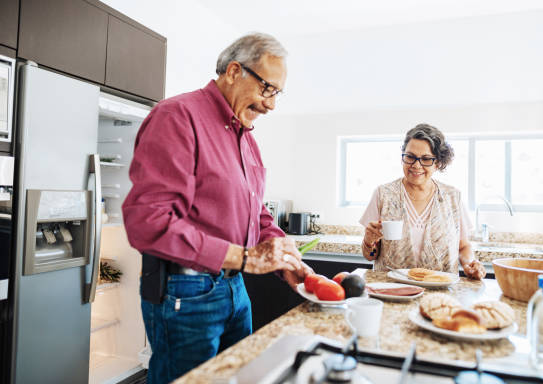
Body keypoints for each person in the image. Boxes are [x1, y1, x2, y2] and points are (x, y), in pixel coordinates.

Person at [122, 33, 312, 383]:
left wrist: (286, 258)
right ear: (235, 71)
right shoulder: (177, 116)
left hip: (235, 289)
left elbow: (256, 214)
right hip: (185, 292)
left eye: (277, 94)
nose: (271, 105)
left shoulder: (247, 138)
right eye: (267, 89)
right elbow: (149, 221)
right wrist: (244, 258)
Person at [359, 123, 486, 280]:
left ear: (438, 163)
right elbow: (370, 255)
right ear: (402, 157)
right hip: (391, 289)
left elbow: (463, 246)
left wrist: (470, 263)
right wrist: (369, 241)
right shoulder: (383, 194)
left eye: (426, 159)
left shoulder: (453, 197)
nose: (416, 165)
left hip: (440, 292)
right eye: (410, 157)